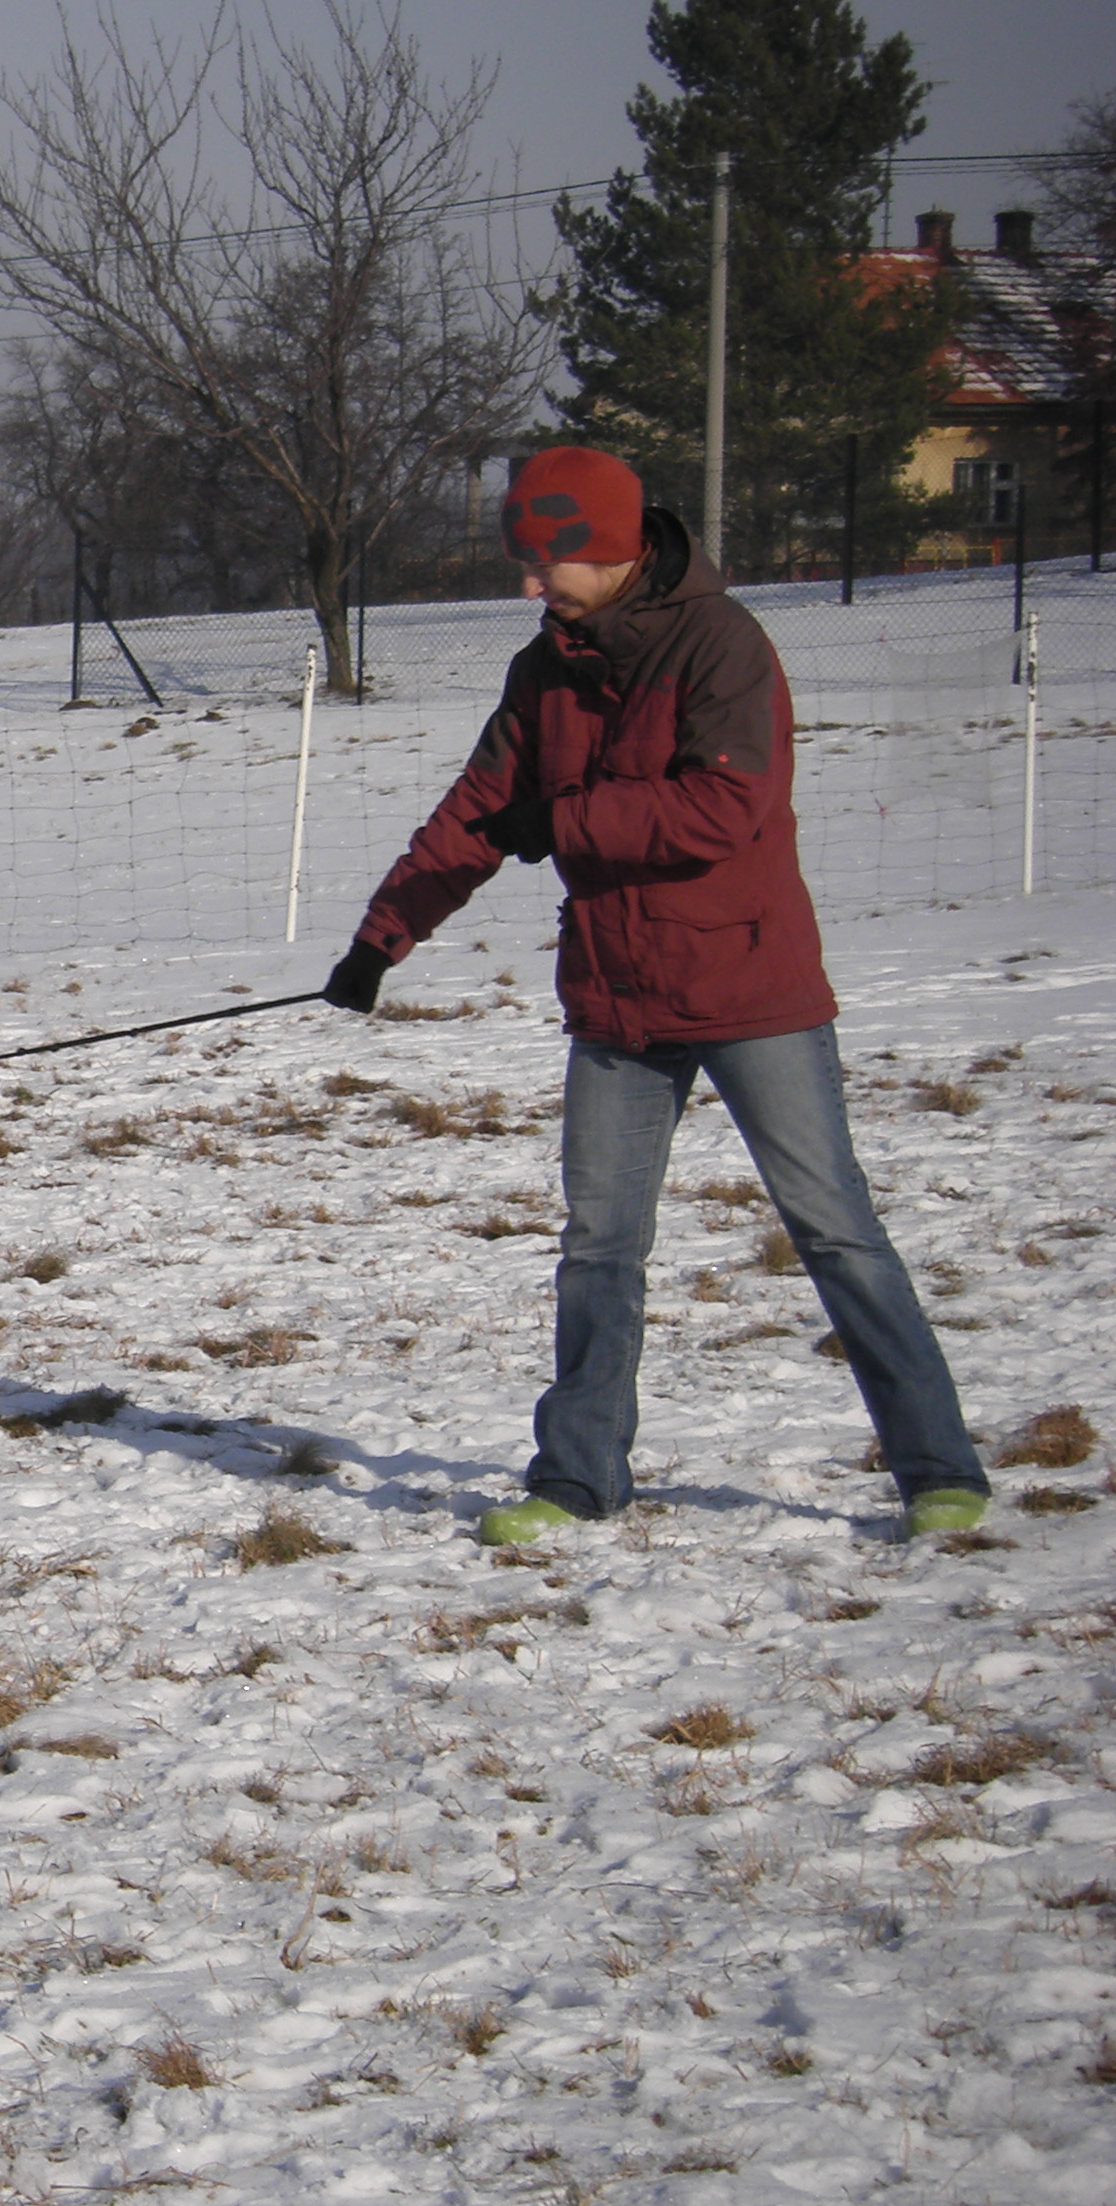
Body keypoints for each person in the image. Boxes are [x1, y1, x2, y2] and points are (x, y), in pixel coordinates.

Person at [321, 445, 990, 1548]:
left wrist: (567, 822)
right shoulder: (544, 672)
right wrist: (381, 938)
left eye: (544, 563)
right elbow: (479, 807)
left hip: (748, 984)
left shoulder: (721, 644)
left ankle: (936, 1467)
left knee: (835, 1232)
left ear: (609, 548)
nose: (528, 587)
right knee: (598, 1247)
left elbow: (726, 808)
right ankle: (579, 1477)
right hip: (616, 997)